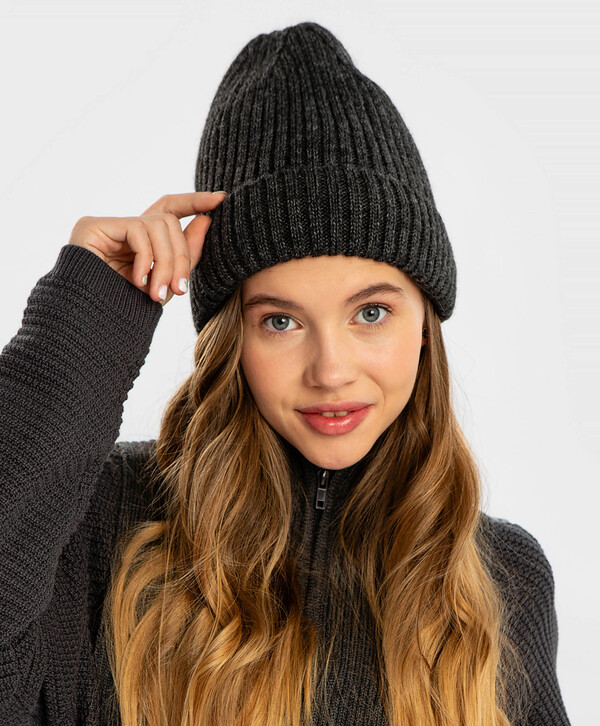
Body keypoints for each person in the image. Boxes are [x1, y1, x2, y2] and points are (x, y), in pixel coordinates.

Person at [0, 20, 571, 726]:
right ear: (232, 339)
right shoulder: (98, 527)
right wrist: (82, 329)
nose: (330, 371)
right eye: (280, 321)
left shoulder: (504, 583)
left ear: (425, 323)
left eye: (370, 313)